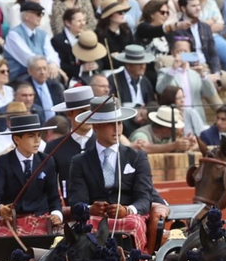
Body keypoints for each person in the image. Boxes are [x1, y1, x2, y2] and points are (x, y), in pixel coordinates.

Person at [66, 97, 165, 249]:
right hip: (94, 219)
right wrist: (90, 208)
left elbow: (144, 197)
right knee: (82, 228)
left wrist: (127, 210)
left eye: (120, 123)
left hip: (129, 217)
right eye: (111, 124)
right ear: (96, 126)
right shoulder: (80, 161)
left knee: (134, 223)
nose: (117, 129)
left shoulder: (137, 157)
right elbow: (77, 200)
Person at [0, 110, 62, 229]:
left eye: (39, 135)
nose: (37, 140)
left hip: (41, 220)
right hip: (11, 221)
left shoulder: (47, 161)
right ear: (17, 139)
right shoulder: (3, 162)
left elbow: (54, 197)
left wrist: (56, 214)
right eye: (31, 136)